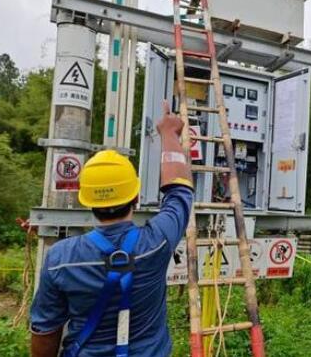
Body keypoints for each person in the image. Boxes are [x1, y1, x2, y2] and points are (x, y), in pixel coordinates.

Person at [30, 101, 193, 357]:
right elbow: (180, 191)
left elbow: (44, 329)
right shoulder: (157, 242)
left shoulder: (60, 259)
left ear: (88, 202)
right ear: (135, 197)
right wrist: (170, 133)